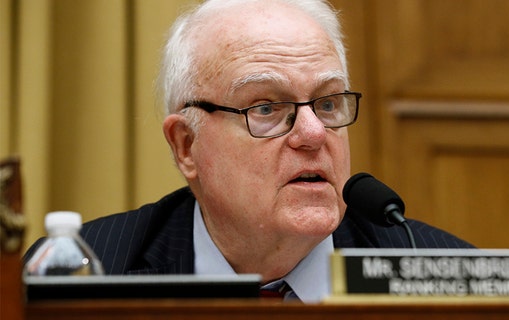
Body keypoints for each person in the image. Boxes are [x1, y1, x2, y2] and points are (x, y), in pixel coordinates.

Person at [25, 0, 473, 303]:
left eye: (328, 102)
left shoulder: (448, 279)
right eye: (266, 107)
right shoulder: (87, 276)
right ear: (186, 145)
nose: (313, 133)